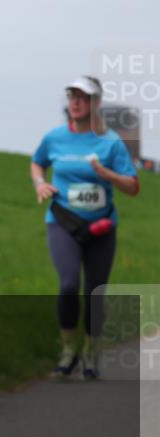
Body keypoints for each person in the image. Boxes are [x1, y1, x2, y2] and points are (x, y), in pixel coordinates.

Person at [30, 76, 139, 380]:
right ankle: (68, 351)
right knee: (68, 285)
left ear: (96, 103)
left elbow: (133, 186)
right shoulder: (54, 138)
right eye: (72, 96)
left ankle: (91, 351)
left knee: (94, 290)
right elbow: (37, 162)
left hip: (101, 226)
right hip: (63, 221)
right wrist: (40, 183)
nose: (76, 102)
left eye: (83, 97)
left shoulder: (111, 142)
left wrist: (107, 174)